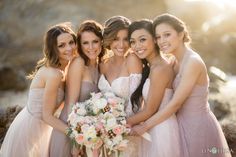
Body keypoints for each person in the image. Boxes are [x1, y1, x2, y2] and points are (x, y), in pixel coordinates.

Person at [132, 13, 231, 157]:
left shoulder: (193, 62)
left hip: (197, 126)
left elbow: (175, 103)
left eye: (167, 35)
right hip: (177, 124)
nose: (162, 41)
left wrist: (145, 126)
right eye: (158, 37)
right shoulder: (173, 61)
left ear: (181, 34)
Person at [0, 23, 77, 157]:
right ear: (53, 49)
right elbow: (46, 116)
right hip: (31, 128)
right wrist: (75, 133)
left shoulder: (65, 69)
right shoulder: (54, 74)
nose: (69, 48)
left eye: (71, 42)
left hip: (41, 127)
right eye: (62, 45)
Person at [49, 20, 104, 157]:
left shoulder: (99, 65)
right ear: (80, 45)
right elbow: (71, 105)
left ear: (101, 42)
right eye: (85, 43)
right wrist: (75, 141)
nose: (91, 47)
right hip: (68, 132)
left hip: (87, 134)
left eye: (95, 41)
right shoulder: (78, 63)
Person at [127, 19, 180, 157]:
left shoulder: (160, 68)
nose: (137, 45)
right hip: (153, 127)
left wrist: (118, 124)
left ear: (155, 40)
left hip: (161, 129)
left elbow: (150, 110)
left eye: (142, 39)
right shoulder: (152, 67)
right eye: (132, 42)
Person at [98, 15, 142, 157]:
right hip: (104, 133)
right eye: (116, 39)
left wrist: (119, 127)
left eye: (125, 39)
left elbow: (136, 102)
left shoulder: (132, 60)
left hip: (128, 132)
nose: (121, 45)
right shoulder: (103, 64)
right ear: (108, 39)